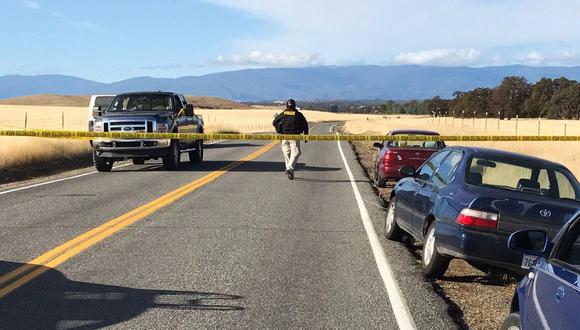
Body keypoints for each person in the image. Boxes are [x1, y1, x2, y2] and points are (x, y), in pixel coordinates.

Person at [272, 99, 309, 180]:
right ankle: (289, 168)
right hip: (294, 136)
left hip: (284, 136)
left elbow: (274, 122)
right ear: (294, 106)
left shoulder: (283, 113)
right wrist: (306, 135)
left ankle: (290, 171)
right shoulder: (298, 114)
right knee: (296, 152)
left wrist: (279, 129)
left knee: (287, 153)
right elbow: (305, 125)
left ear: (287, 106)